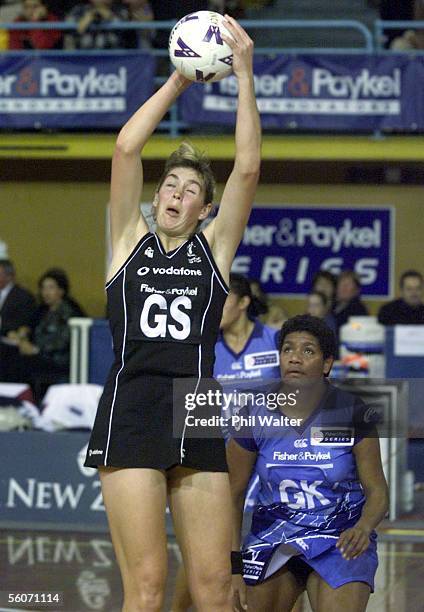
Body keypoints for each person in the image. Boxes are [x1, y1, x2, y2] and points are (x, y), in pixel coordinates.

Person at [84, 15, 260, 612]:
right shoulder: (127, 238)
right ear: (156, 196)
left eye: (189, 190)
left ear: (206, 209)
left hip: (198, 401)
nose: (175, 194)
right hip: (133, 398)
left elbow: (249, 168)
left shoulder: (215, 250)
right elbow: (125, 147)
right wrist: (179, 82)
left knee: (213, 587)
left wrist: (244, 76)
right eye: (169, 185)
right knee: (149, 587)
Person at [228, 315, 389, 612]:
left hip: (339, 537)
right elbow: (232, 494)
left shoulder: (354, 413)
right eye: (288, 349)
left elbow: (378, 490)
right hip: (273, 534)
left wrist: (364, 527)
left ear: (327, 364)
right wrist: (234, 567)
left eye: (308, 351)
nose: (295, 359)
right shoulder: (253, 413)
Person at [171, 273, 280, 612]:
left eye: (223, 299)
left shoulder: (275, 342)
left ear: (244, 302)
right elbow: (188, 405)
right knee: (206, 548)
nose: (214, 307)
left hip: (264, 457)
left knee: (281, 552)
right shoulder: (204, 346)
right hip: (216, 457)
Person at [6, 268, 83, 401]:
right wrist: (21, 335)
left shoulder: (69, 313)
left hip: (57, 361)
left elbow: (62, 341)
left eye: (51, 288)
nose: (46, 293)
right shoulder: (42, 311)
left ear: (61, 290)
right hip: (40, 358)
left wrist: (36, 349)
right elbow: (30, 328)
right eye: (43, 288)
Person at [65, 0, 132, 50]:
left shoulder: (121, 10)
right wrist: (88, 17)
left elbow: (125, 29)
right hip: (85, 58)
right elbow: (70, 30)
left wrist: (109, 16)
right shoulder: (79, 10)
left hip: (114, 59)